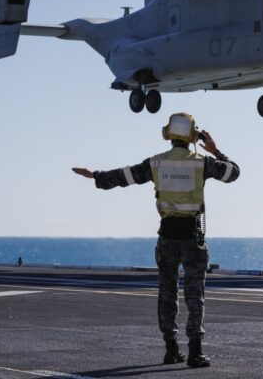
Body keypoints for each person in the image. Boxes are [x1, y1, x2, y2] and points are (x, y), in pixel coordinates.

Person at [72, 112, 240, 368]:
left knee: (167, 293)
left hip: (167, 237)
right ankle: (195, 351)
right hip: (191, 237)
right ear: (194, 136)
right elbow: (233, 173)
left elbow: (123, 176)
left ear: (169, 135)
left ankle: (171, 349)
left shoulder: (156, 163)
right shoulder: (201, 163)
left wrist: (95, 175)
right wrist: (216, 150)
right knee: (195, 295)